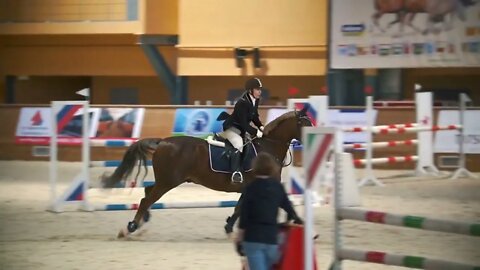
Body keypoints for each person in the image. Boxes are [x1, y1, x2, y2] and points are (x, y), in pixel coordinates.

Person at [235, 152, 303, 270]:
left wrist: (239, 237)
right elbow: (289, 209)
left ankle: (235, 170)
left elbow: (244, 216)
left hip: (253, 238)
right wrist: (295, 220)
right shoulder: (278, 187)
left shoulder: (250, 188)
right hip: (272, 239)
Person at [218, 77, 265, 183]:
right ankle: (236, 173)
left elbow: (254, 116)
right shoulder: (242, 103)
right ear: (250, 90)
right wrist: (255, 132)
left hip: (241, 129)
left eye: (260, 89)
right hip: (231, 127)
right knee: (238, 143)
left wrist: (261, 127)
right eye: (257, 89)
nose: (259, 91)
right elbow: (244, 123)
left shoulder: (255, 100)